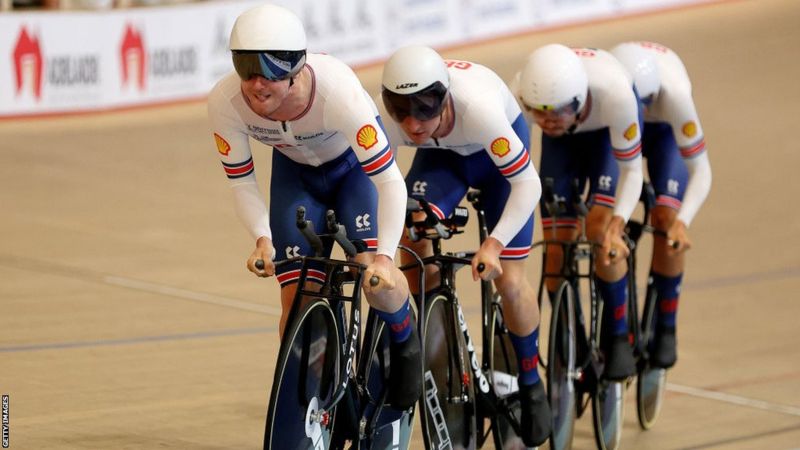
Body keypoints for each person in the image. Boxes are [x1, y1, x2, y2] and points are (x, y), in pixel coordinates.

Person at [206, 4, 420, 409]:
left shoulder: (337, 93)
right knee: (295, 297)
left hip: (352, 170)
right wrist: (261, 238)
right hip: (296, 175)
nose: (255, 83)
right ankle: (311, 400)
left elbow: (390, 181)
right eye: (244, 67)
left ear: (295, 67)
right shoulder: (225, 102)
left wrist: (387, 259)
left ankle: (405, 337)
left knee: (372, 274)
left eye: (267, 69)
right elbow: (242, 181)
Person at [378, 45, 551, 447]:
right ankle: (437, 335)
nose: (412, 123)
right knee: (412, 234)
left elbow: (528, 184)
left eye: (423, 109)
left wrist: (493, 244)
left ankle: (530, 380)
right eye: (400, 111)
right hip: (442, 161)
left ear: (443, 97)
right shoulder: (388, 118)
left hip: (497, 169)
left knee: (508, 281)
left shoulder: (480, 110)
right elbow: (373, 181)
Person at [512, 44, 644, 380]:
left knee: (600, 232)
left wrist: (619, 224)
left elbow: (631, 172)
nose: (547, 121)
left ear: (580, 98)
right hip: (562, 149)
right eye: (538, 112)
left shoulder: (616, 94)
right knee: (555, 254)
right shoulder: (520, 93)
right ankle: (572, 339)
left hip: (604, 141)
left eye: (556, 111)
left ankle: (616, 337)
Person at [610, 41, 712, 368]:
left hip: (664, 132)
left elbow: (702, 169)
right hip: (615, 125)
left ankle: (666, 323)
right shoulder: (612, 86)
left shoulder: (675, 96)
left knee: (666, 220)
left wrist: (683, 220)